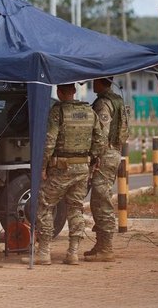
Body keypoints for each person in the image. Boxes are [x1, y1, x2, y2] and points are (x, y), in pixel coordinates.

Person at [24, 83, 105, 266]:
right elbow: (100, 141)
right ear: (74, 91)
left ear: (60, 92)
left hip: (60, 168)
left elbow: (50, 142)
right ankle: (73, 253)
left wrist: (42, 167)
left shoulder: (57, 112)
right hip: (82, 168)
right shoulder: (89, 112)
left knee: (45, 205)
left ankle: (44, 252)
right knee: (75, 208)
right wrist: (91, 158)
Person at [84, 77, 129, 262]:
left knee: (101, 200)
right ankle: (101, 244)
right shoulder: (117, 99)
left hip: (106, 154)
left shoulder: (103, 103)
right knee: (99, 199)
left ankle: (106, 248)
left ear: (101, 82)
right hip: (114, 151)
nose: (92, 84)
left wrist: (94, 156)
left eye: (95, 81)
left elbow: (101, 134)